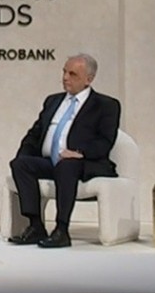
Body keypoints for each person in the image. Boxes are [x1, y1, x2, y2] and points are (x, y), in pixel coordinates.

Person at [8, 54, 120, 249]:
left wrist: (79, 152)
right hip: (51, 162)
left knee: (67, 166)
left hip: (83, 163)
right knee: (20, 164)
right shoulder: (53, 101)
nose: (65, 77)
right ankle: (35, 226)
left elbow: (105, 141)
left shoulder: (106, 105)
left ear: (89, 79)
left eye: (73, 74)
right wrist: (24, 154)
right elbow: (34, 134)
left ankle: (62, 230)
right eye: (64, 72)